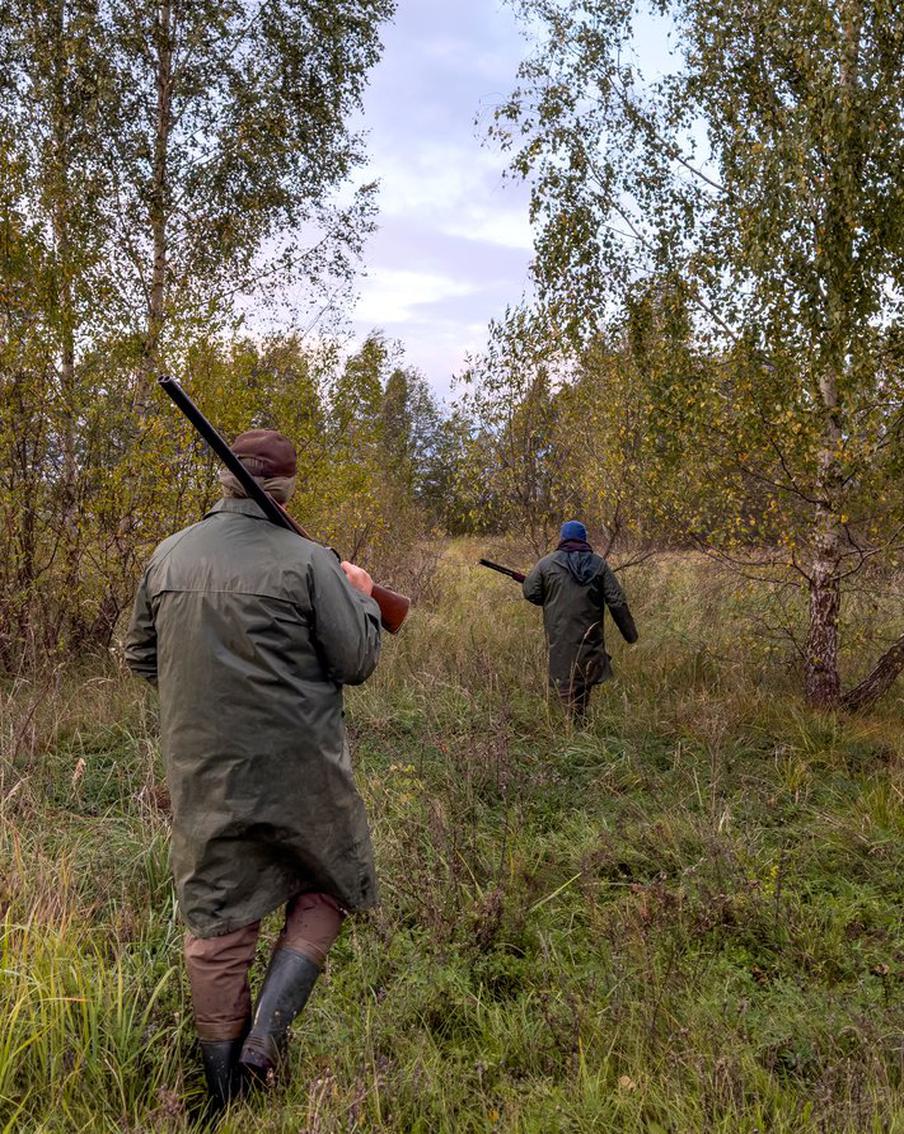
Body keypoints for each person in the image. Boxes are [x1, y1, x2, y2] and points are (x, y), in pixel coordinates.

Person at [124, 428, 382, 1118]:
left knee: (216, 923)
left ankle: (225, 1095)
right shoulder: (308, 562)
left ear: (224, 481)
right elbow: (357, 661)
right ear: (287, 491)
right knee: (327, 883)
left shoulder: (168, 555)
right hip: (304, 774)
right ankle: (265, 1037)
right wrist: (360, 594)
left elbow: (141, 656)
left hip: (205, 776)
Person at [523, 520, 638, 722]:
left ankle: (572, 725)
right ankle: (578, 721)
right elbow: (616, 601)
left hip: (560, 635)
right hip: (590, 635)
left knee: (565, 678)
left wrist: (551, 596)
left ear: (562, 538)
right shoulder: (599, 565)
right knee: (585, 675)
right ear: (584, 539)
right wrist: (630, 635)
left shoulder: (546, 563)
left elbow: (531, 592)